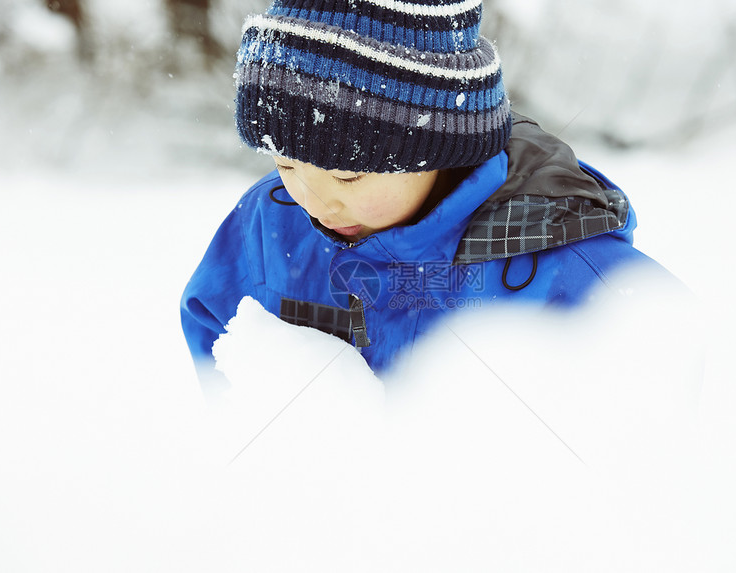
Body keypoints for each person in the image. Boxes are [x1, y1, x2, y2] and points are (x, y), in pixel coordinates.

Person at [180, 0, 680, 395]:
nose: (316, 201)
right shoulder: (269, 225)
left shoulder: (558, 261)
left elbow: (662, 363)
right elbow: (213, 322)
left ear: (439, 149)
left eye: (348, 177)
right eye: (285, 164)